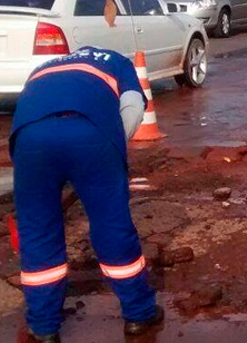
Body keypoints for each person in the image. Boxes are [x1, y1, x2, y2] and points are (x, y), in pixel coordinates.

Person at [10, 46, 163, 342]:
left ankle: (43, 327)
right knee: (111, 224)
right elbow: (132, 106)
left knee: (38, 230)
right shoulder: (117, 61)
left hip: (29, 138)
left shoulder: (45, 67)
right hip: (90, 133)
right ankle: (139, 314)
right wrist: (113, 148)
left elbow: (29, 107)